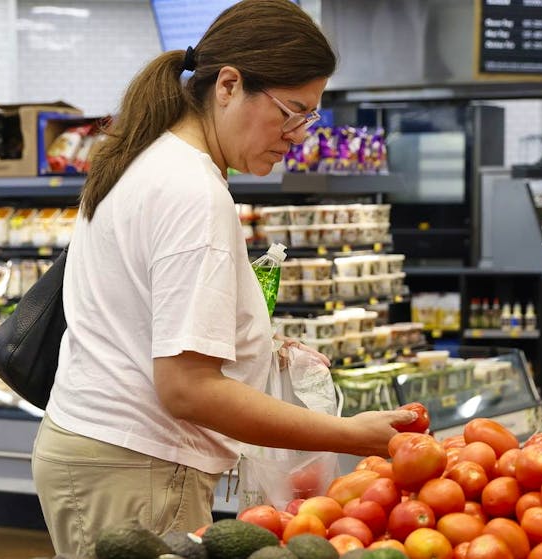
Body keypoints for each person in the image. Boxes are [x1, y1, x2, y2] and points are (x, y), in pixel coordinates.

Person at [30, 1, 415, 556]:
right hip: (139, 465)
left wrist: (254, 347)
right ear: (229, 85)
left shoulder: (150, 158)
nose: (298, 135)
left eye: (310, 119)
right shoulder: (194, 193)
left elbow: (145, 322)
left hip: (107, 455)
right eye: (292, 112)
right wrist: (350, 434)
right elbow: (187, 388)